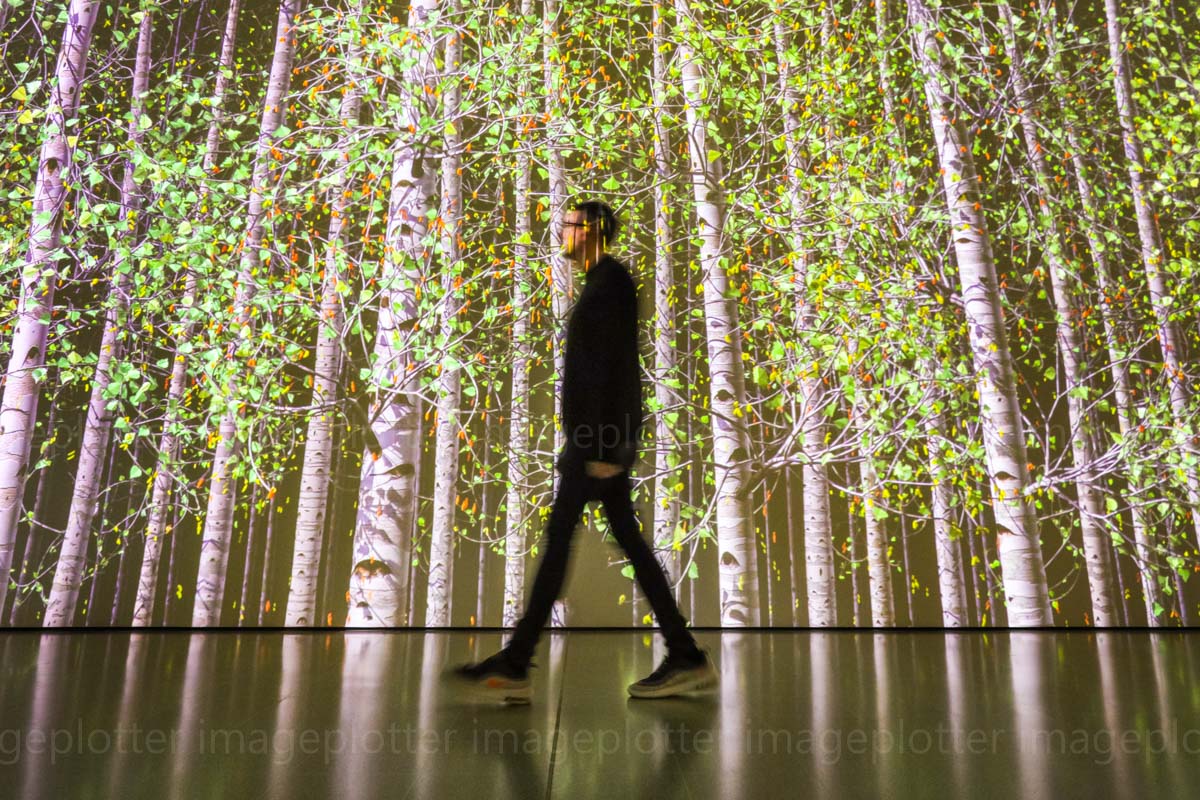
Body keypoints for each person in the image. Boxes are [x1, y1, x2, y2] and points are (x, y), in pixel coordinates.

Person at [448, 200, 717, 702]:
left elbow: (613, 372)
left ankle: (516, 664)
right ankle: (683, 654)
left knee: (564, 545)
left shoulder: (610, 283)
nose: (561, 232)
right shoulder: (602, 283)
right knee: (615, 543)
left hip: (597, 445)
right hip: (595, 443)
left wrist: (604, 446)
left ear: (591, 230)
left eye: (569, 224)